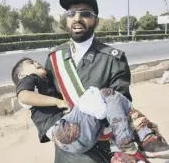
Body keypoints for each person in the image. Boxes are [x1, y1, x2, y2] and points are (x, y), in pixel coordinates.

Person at [18, 0, 169, 162]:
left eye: (85, 13)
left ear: (96, 21)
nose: (77, 18)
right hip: (67, 151)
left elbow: (120, 107)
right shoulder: (54, 58)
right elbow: (45, 100)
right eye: (71, 13)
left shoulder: (113, 58)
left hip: (100, 152)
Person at [11, 57, 150, 162]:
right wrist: (58, 102)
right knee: (104, 95)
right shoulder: (29, 80)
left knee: (112, 100)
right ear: (22, 76)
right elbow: (23, 97)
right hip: (62, 131)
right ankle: (134, 141)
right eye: (30, 63)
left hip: (78, 139)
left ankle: (124, 148)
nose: (36, 63)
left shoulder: (46, 84)